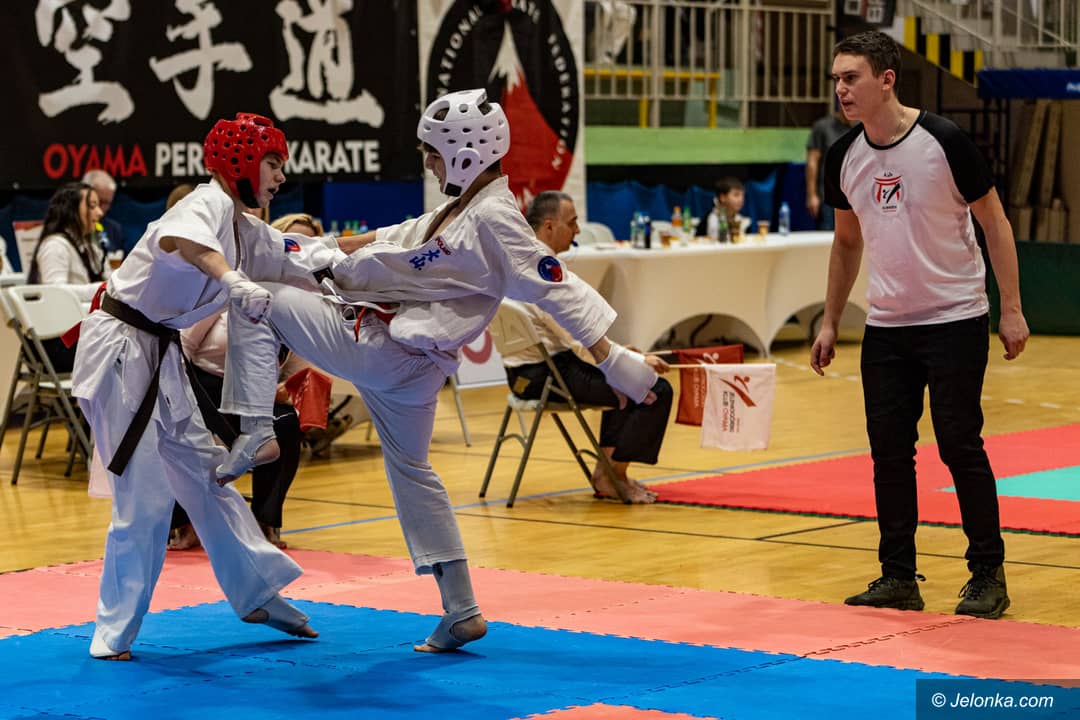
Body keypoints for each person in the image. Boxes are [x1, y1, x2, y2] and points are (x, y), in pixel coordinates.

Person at [223, 88, 660, 653]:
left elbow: (558, 288)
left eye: (433, 153)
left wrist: (616, 361)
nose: (429, 164)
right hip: (412, 366)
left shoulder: (496, 219)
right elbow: (391, 236)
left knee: (255, 295)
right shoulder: (463, 210)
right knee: (413, 472)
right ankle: (462, 610)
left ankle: (256, 428)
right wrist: (314, 245)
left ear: (464, 151)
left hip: (386, 351)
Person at [71, 112, 317, 660]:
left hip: (156, 354)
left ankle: (256, 593)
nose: (281, 177)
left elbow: (307, 254)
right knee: (144, 496)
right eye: (273, 163)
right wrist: (232, 279)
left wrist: (396, 247)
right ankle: (112, 633)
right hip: (122, 350)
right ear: (241, 162)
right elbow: (185, 241)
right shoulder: (203, 204)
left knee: (208, 475)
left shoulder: (240, 226)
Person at [810, 31, 1029, 620]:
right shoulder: (843, 156)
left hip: (954, 317)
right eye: (836, 79)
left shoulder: (945, 140)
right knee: (888, 453)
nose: (840, 90)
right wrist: (830, 322)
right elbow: (846, 243)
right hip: (886, 326)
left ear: (886, 80)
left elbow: (995, 223)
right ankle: (898, 576)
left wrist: (1011, 307)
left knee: (959, 444)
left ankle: (987, 574)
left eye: (851, 77)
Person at [504, 190, 672, 503]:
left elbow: (578, 339)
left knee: (626, 378)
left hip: (522, 376)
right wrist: (632, 361)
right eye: (572, 222)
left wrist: (623, 353)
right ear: (550, 226)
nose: (578, 230)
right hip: (549, 376)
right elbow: (581, 342)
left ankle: (609, 473)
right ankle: (612, 476)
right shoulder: (544, 272)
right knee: (650, 389)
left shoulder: (518, 260)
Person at [27, 181, 108, 371]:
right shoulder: (55, 246)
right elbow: (55, 293)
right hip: (56, 342)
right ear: (71, 210)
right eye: (92, 206)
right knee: (124, 350)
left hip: (79, 334)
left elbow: (110, 282)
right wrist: (100, 290)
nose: (99, 213)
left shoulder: (90, 246)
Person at [805, 109, 851, 231]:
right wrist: (811, 195)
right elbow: (812, 161)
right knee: (827, 236)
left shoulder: (863, 127)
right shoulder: (823, 127)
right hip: (828, 197)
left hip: (853, 196)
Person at [82, 169, 125, 255]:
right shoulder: (68, 228)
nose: (101, 211)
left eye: (107, 203)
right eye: (99, 202)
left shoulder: (114, 229)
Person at [706, 177, 746, 242]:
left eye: (742, 195)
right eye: (736, 195)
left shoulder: (739, 218)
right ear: (723, 197)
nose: (741, 199)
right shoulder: (712, 218)